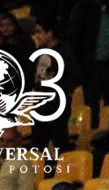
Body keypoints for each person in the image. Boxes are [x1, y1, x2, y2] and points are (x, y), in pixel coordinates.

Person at [69, 0, 109, 128]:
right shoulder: (81, 9)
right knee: (91, 107)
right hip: (90, 68)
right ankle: (91, 139)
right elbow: (73, 40)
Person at [31, 15, 82, 154]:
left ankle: (65, 172)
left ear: (50, 33)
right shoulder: (38, 52)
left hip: (57, 105)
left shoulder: (65, 52)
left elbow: (76, 75)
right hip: (40, 104)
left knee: (60, 144)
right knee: (37, 147)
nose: (37, 35)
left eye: (39, 32)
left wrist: (63, 91)